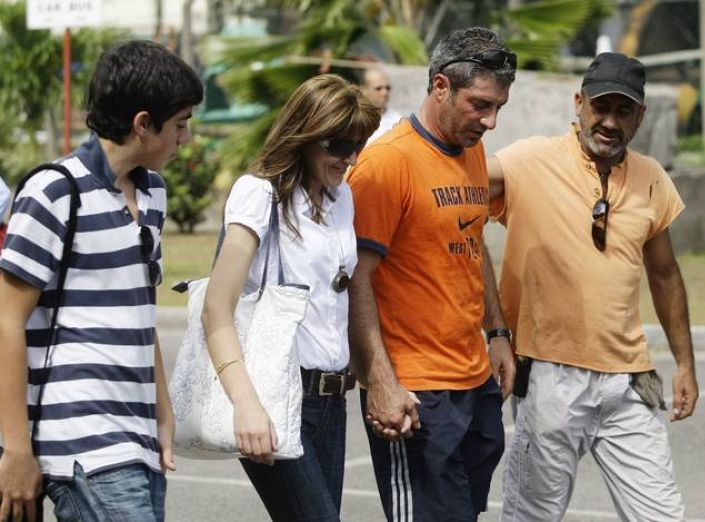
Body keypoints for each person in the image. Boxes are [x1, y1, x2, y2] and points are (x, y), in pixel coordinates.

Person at [488, 52, 699, 521]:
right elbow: (454, 194)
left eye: (623, 111)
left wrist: (685, 363)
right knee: (532, 517)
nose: (609, 122)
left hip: (629, 380)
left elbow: (664, 273)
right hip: (548, 376)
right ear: (579, 103)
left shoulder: (651, 178)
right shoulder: (530, 159)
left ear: (640, 117)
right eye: (600, 107)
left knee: (662, 515)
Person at [0, 40, 202, 522]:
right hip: (80, 443)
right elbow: (7, 322)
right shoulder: (54, 191)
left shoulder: (153, 192)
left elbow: (139, 311)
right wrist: (17, 451)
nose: (186, 139)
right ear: (142, 124)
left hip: (137, 437)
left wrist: (163, 411)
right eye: (180, 125)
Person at [347, 27, 517, 521]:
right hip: (415, 390)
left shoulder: (472, 149)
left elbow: (472, 239)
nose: (490, 121)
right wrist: (380, 381)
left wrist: (498, 332)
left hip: (473, 379)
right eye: (480, 104)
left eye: (498, 107)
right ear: (440, 86)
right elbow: (356, 281)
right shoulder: (387, 164)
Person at [201, 74, 379, 522]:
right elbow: (216, 310)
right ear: (305, 136)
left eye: (359, 145)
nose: (350, 158)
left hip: (330, 402)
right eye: (339, 145)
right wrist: (246, 404)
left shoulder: (342, 199)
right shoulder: (259, 194)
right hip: (277, 392)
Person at [359, 67, 403, 144]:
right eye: (378, 88)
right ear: (364, 90)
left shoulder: (399, 122)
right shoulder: (354, 117)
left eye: (387, 88)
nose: (385, 93)